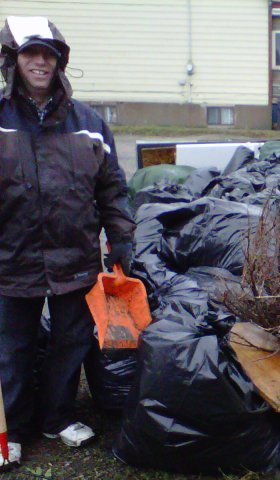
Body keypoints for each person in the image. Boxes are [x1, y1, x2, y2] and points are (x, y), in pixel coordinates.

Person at [0, 17, 134, 467]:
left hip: (75, 257)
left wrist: (120, 238)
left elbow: (112, 188)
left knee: (70, 342)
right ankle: (12, 429)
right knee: (12, 347)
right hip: (11, 258)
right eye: (29, 53)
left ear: (60, 62)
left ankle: (56, 418)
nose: (40, 61)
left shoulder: (89, 124)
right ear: (12, 60)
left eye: (48, 54)